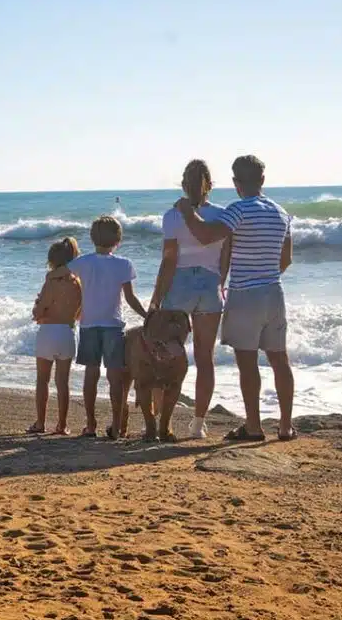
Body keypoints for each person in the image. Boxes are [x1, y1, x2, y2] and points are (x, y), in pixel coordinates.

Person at [174, 154, 296, 441]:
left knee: (247, 362)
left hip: (245, 293)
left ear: (235, 182)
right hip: (274, 292)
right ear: (262, 180)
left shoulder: (238, 210)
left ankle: (253, 426)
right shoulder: (281, 213)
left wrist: (187, 212)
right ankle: (286, 426)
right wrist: (265, 272)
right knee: (280, 360)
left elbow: (206, 235)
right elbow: (286, 259)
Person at [151, 160, 232, 439]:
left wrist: (156, 298)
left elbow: (169, 259)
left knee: (165, 355)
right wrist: (218, 285)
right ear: (210, 184)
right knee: (204, 358)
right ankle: (198, 424)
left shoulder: (172, 216)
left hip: (180, 285)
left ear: (183, 184)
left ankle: (162, 420)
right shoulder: (224, 215)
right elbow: (225, 261)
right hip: (210, 286)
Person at [67, 217, 148, 439]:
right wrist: (147, 315)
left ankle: (91, 424)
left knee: (91, 373)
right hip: (113, 325)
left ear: (92, 238)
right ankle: (116, 424)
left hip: (89, 323)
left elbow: (65, 278)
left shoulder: (82, 263)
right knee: (115, 377)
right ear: (118, 240)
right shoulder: (123, 264)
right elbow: (130, 298)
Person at [29, 237, 83, 435]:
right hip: (67, 333)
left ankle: (40, 423)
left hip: (48, 331)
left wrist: (38, 309)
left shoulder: (51, 279)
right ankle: (62, 424)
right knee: (63, 382)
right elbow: (80, 313)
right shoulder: (78, 281)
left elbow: (39, 310)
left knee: (42, 380)